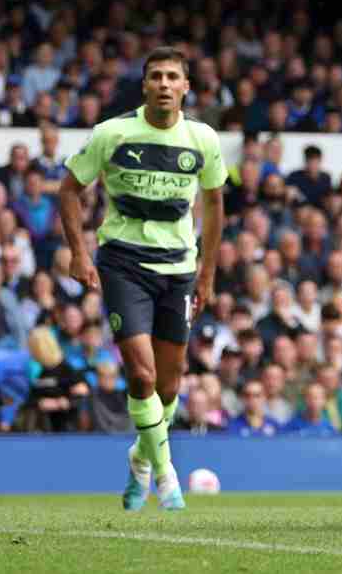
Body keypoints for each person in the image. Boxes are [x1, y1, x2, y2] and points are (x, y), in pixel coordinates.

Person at [60, 46, 227, 511]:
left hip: (179, 270)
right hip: (123, 264)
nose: (164, 84)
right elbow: (69, 190)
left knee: (169, 388)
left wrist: (208, 272)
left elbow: (214, 205)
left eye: (173, 76)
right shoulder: (111, 134)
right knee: (141, 373)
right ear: (145, 85)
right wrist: (78, 251)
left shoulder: (203, 139)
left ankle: (141, 461)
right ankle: (168, 475)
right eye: (156, 76)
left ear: (186, 87)